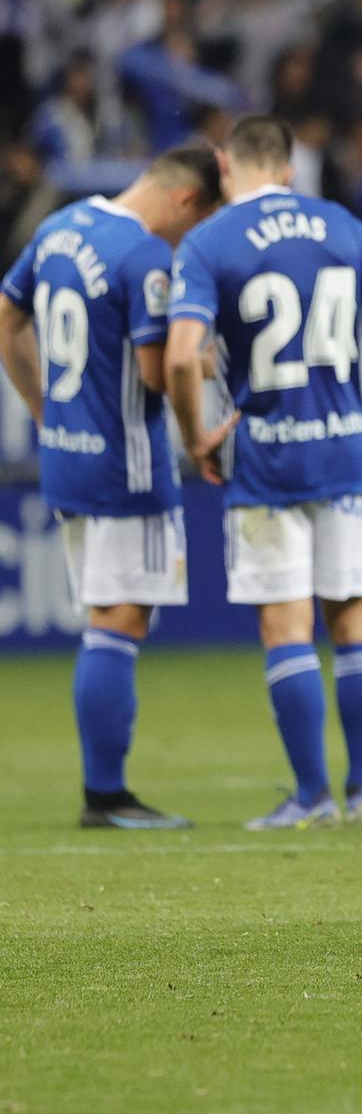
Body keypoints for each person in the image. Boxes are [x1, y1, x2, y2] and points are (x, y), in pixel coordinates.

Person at [166, 116, 362, 831]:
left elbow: (179, 356)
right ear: (289, 169)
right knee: (355, 619)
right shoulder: (339, 225)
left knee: (286, 627)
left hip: (266, 456)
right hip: (347, 448)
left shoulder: (209, 241)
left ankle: (312, 795)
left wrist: (197, 436)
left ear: (227, 167)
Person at [0, 146, 222, 829]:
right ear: (186, 201)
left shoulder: (60, 227)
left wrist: (44, 413)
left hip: (67, 456)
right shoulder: (145, 257)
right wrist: (201, 380)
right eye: (200, 224)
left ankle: (106, 791)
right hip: (127, 465)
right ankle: (106, 795)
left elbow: (6, 319)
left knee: (108, 614)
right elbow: (161, 374)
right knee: (120, 621)